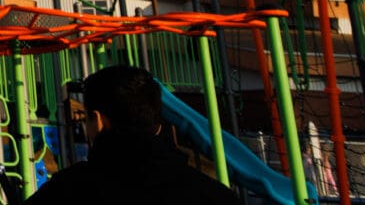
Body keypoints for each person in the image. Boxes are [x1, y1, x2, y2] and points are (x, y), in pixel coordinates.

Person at [25, 65, 240, 204]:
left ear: (98, 121)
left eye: (86, 119)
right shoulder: (214, 194)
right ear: (157, 125)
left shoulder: (69, 190)